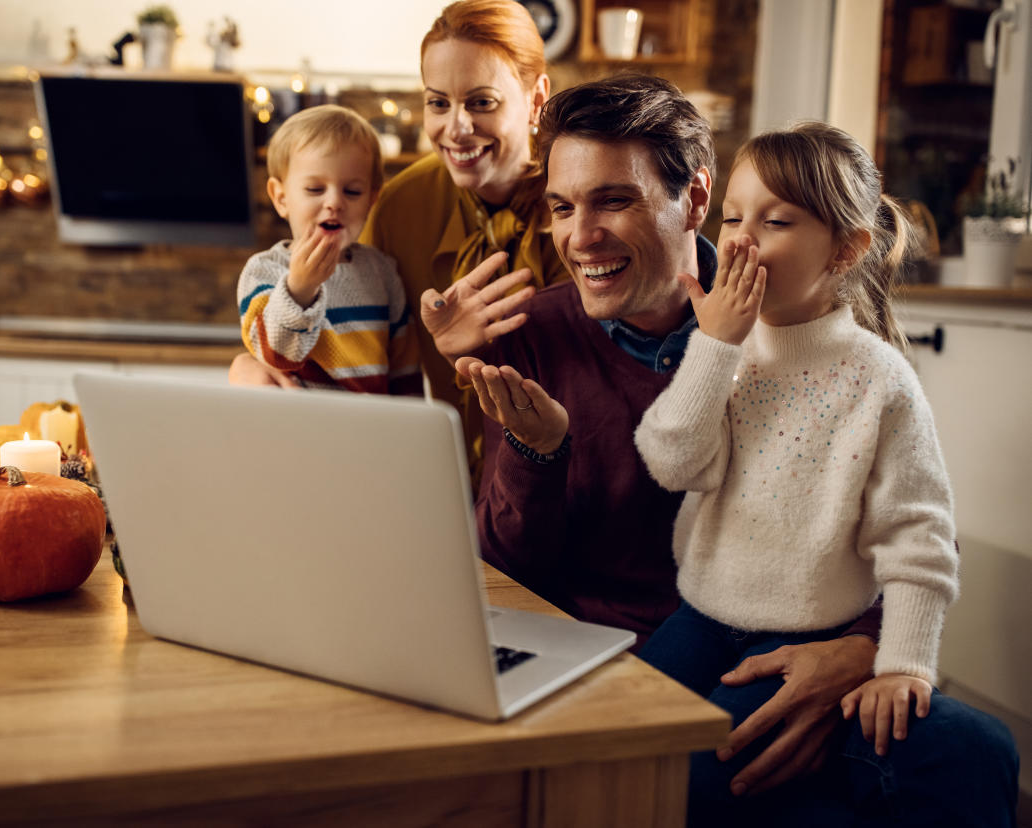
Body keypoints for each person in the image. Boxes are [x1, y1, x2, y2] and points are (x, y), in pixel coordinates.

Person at [455, 74, 1018, 826]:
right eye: (562, 207)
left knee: (978, 753)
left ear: (692, 200)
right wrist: (539, 452)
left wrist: (863, 651)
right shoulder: (532, 330)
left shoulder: (802, 321)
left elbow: (913, 531)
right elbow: (514, 561)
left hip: (803, 634)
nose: (579, 236)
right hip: (640, 645)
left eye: (614, 200)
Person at [633, 121, 960, 811]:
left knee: (708, 778)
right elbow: (671, 461)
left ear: (845, 250)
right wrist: (715, 348)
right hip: (699, 618)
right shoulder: (725, 351)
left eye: (775, 220)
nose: (740, 237)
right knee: (615, 741)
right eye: (731, 216)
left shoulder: (880, 380)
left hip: (801, 635)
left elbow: (919, 540)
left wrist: (903, 665)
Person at [231, 0, 568, 471]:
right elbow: (344, 319)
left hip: (560, 488)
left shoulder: (576, 204)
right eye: (438, 102)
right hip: (440, 483)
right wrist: (250, 366)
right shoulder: (402, 202)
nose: (456, 128)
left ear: (536, 98)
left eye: (482, 102)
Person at [237, 105, 421, 395]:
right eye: (314, 189)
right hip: (299, 429)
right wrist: (299, 289)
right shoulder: (264, 270)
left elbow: (405, 370)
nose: (334, 202)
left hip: (369, 431)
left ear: (372, 200)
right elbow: (275, 355)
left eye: (352, 191)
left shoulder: (383, 272)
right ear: (281, 197)